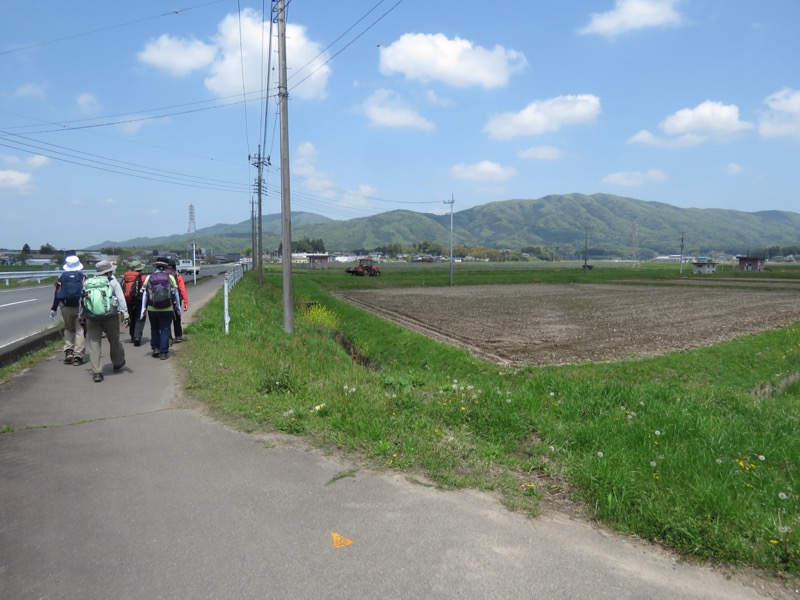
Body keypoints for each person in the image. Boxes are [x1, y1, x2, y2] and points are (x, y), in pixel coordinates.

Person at [83, 260, 129, 383]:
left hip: (92, 317)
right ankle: (118, 362)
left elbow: (83, 300)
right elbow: (121, 299)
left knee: (94, 343)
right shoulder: (113, 282)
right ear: (108, 272)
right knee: (114, 339)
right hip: (111, 316)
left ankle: (97, 372)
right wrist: (125, 314)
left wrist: (81, 314)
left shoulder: (88, 283)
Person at [140, 257, 179, 360]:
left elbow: (144, 294)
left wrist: (143, 309)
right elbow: (176, 293)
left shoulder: (149, 277)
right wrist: (177, 307)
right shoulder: (170, 278)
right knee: (165, 329)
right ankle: (164, 352)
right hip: (167, 308)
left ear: (156, 266)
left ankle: (155, 348)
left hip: (152, 309)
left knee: (154, 328)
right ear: (166, 267)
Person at [50, 255, 86, 365]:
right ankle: (78, 355)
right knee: (80, 330)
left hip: (65, 307)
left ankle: (69, 351)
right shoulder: (83, 277)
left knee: (69, 329)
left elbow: (57, 294)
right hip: (79, 307)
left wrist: (54, 308)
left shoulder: (62, 277)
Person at [121, 261, 146, 346]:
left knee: (131, 318)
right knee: (139, 318)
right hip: (139, 300)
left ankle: (132, 336)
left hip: (128, 300)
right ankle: (137, 337)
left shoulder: (125, 277)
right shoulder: (142, 278)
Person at [167, 259, 189, 343]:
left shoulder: (163, 275)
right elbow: (182, 289)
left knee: (167, 320)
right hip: (176, 300)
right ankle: (178, 335)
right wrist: (185, 302)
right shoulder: (177, 275)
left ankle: (168, 338)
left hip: (165, 300)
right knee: (177, 318)